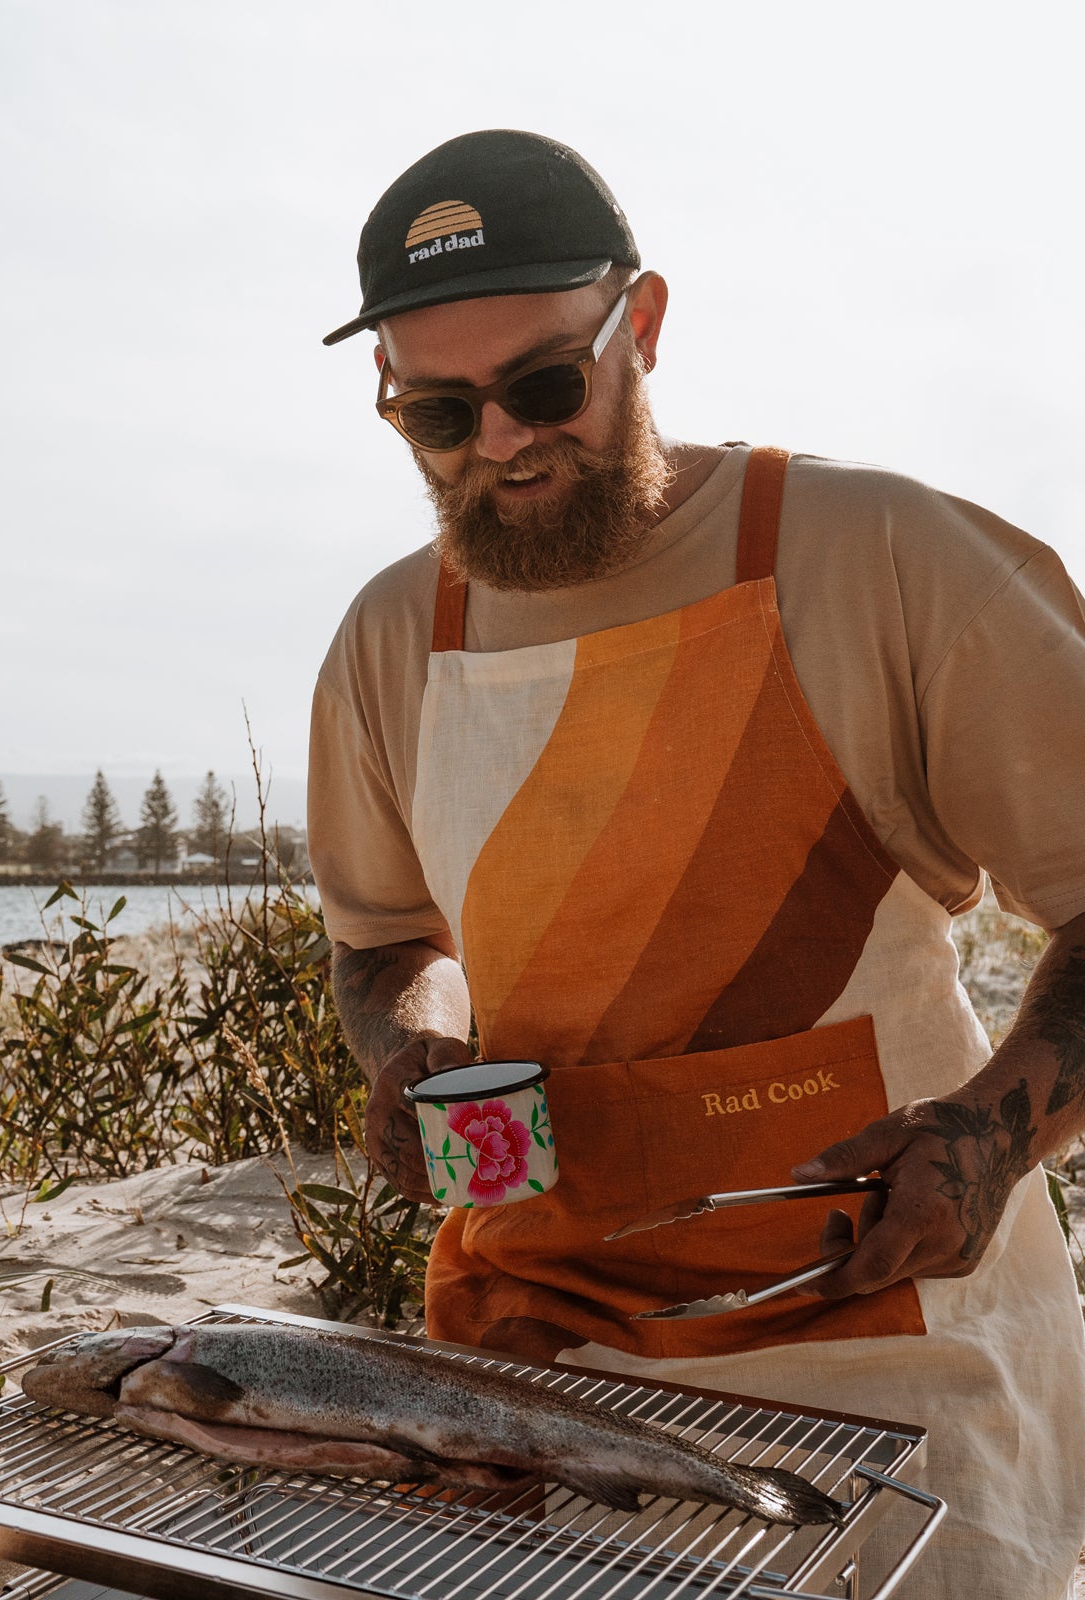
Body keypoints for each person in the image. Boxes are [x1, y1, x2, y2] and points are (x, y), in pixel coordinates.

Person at [309, 129, 1085, 1597]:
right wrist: (410, 1049)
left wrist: (993, 1135)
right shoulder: (390, 640)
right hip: (538, 1352)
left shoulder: (878, 555)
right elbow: (385, 935)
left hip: (886, 1348)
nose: (502, 444)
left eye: (545, 387)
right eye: (438, 413)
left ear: (642, 328)